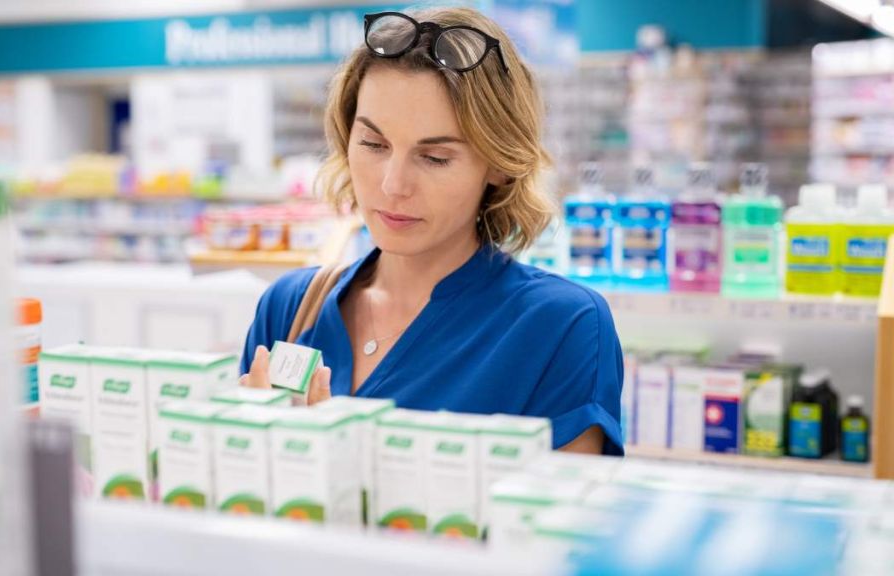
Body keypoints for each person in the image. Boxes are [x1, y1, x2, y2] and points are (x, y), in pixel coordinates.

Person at [240, 7, 624, 455]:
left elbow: (564, 501)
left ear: (500, 163)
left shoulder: (559, 327)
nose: (393, 185)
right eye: (373, 144)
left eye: (435, 157)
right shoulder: (291, 308)